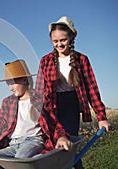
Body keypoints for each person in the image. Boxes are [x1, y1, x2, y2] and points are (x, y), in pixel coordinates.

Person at [32, 16, 111, 168]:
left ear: (71, 38)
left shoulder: (82, 60)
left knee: (67, 145)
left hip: (70, 105)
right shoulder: (45, 61)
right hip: (50, 105)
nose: (59, 44)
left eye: (63, 40)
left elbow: (92, 89)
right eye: (55, 41)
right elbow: (39, 88)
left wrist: (102, 117)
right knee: (51, 143)